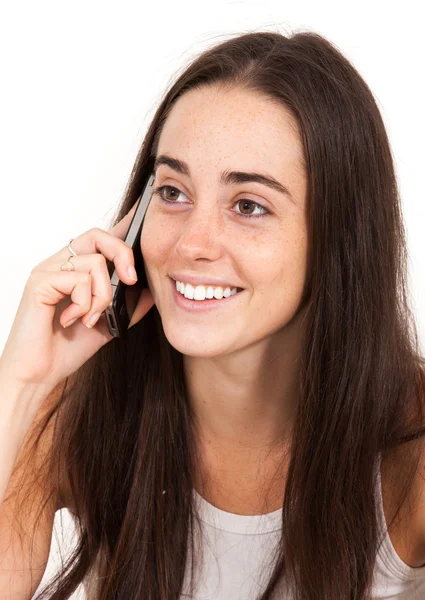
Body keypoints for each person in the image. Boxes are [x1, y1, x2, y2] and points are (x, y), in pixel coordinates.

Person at [1, 29, 425, 600]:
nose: (193, 243)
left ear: (337, 238)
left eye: (248, 205)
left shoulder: (412, 448)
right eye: (173, 192)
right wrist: (21, 383)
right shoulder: (77, 412)